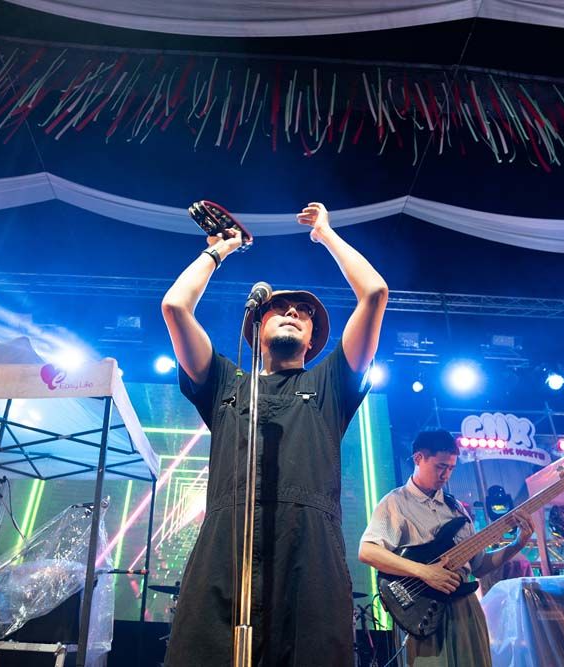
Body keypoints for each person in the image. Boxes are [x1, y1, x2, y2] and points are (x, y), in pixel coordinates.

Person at [160, 202, 388, 666]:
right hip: (224, 552)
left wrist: (325, 234)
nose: (292, 312)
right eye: (279, 308)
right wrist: (220, 250)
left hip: (309, 558)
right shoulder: (226, 381)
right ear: (256, 325)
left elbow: (374, 293)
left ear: (313, 338)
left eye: (303, 312)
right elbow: (175, 306)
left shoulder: (330, 383)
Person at [358, 430, 534, 666]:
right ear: (418, 458)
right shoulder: (395, 502)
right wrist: (425, 572)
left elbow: (479, 566)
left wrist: (517, 544)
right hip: (422, 608)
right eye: (440, 466)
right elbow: (368, 551)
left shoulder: (457, 508)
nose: (446, 475)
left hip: (465, 606)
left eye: (451, 468)